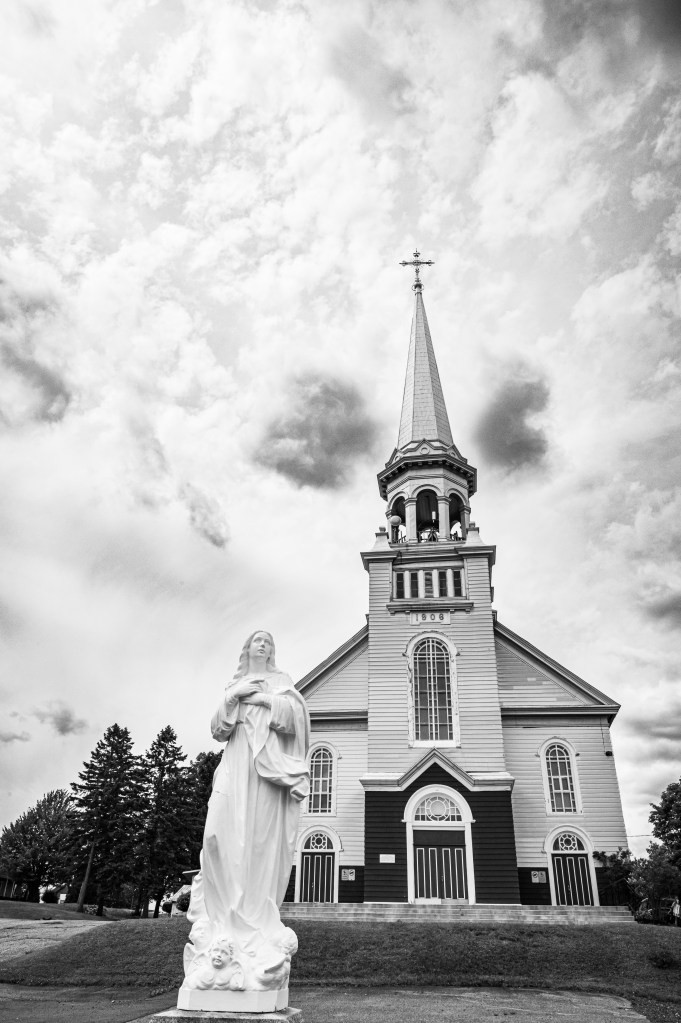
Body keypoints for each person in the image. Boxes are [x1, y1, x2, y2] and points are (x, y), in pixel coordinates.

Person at [181, 630, 310, 997]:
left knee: (257, 840)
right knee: (216, 836)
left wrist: (267, 699)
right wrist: (234, 696)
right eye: (257, 640)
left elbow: (295, 718)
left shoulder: (282, 682)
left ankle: (252, 920)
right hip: (236, 764)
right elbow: (218, 729)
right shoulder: (235, 684)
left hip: (265, 771)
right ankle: (220, 919)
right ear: (246, 648)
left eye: (269, 641)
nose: (264, 644)